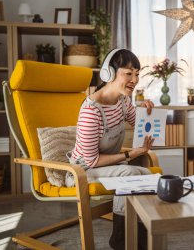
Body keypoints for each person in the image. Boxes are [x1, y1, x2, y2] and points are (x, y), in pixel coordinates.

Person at [66, 48, 154, 250]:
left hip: (108, 165)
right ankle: (122, 242)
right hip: (82, 170)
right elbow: (91, 161)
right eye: (129, 73)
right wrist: (130, 154)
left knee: (146, 173)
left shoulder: (123, 101)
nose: (134, 79)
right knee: (131, 173)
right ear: (109, 74)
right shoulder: (92, 110)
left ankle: (141, 240)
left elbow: (140, 125)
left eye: (137, 74)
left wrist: (148, 113)